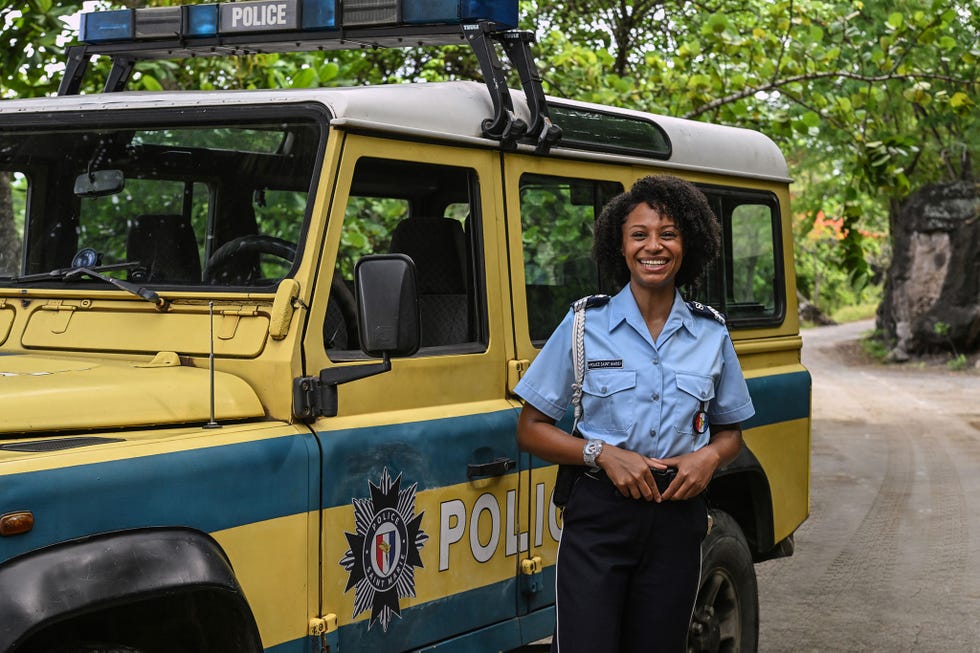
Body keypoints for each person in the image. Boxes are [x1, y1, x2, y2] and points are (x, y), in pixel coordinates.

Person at [514, 174, 755, 652]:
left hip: (677, 518)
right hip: (600, 517)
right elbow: (530, 430)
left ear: (688, 244)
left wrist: (707, 459)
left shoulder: (711, 333)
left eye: (668, 234)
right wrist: (601, 453)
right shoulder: (585, 324)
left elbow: (731, 433)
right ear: (620, 246)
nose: (654, 247)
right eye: (639, 234)